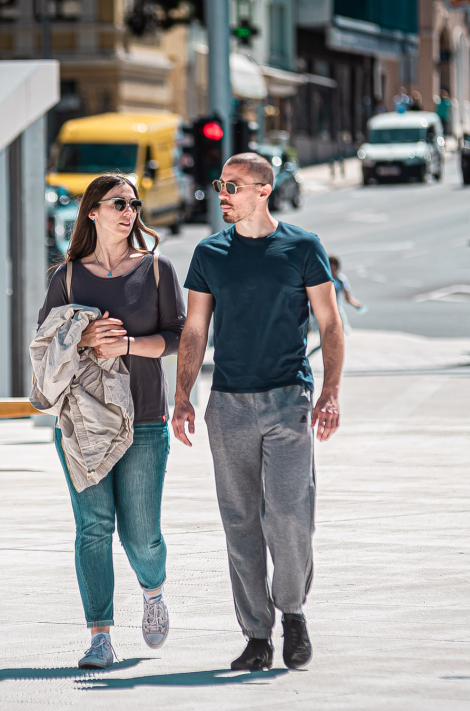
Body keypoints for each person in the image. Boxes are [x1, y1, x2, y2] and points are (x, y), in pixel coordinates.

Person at [172, 152, 345, 671]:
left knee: (291, 516)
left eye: (232, 185)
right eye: (219, 183)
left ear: (263, 190)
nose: (221, 193)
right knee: (241, 524)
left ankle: (292, 612)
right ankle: (256, 636)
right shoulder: (209, 253)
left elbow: (331, 323)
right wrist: (182, 395)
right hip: (227, 404)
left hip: (288, 398)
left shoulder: (302, 247)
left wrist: (330, 391)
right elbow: (195, 329)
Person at [37, 173, 186, 669]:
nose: (129, 211)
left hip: (144, 419)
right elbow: (43, 345)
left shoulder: (157, 269)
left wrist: (125, 345)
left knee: (141, 535)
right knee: (93, 529)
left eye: (134, 204)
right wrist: (82, 338)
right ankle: (100, 636)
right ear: (92, 212)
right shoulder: (68, 278)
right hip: (82, 423)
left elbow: (179, 337)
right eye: (118, 202)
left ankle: (153, 590)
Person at [329, 256, 364, 334]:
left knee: (341, 329)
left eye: (333, 265)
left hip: (336, 307)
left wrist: (356, 304)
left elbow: (347, 297)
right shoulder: (321, 278)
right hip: (323, 308)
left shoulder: (341, 279)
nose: (332, 267)